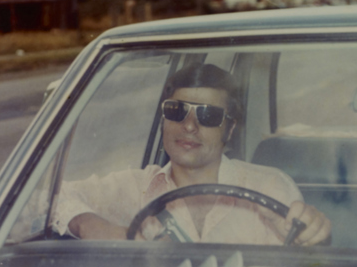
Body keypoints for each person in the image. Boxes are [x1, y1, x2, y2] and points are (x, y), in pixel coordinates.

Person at [54, 63, 331, 246]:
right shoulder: (136, 187)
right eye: (177, 111)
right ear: (164, 119)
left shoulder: (270, 188)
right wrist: (89, 225)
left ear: (230, 129)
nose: (189, 126)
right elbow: (44, 197)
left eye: (208, 115)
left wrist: (311, 238)